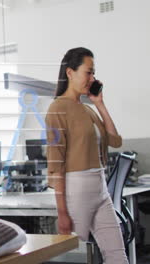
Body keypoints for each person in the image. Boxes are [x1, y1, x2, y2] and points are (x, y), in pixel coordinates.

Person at [46, 47, 127, 263]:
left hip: (100, 188)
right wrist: (62, 211)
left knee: (118, 255)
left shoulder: (87, 108)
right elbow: (55, 164)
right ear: (70, 73)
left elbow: (115, 141)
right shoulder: (57, 109)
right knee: (73, 257)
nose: (92, 78)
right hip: (77, 191)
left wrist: (99, 103)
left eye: (93, 73)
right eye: (88, 72)